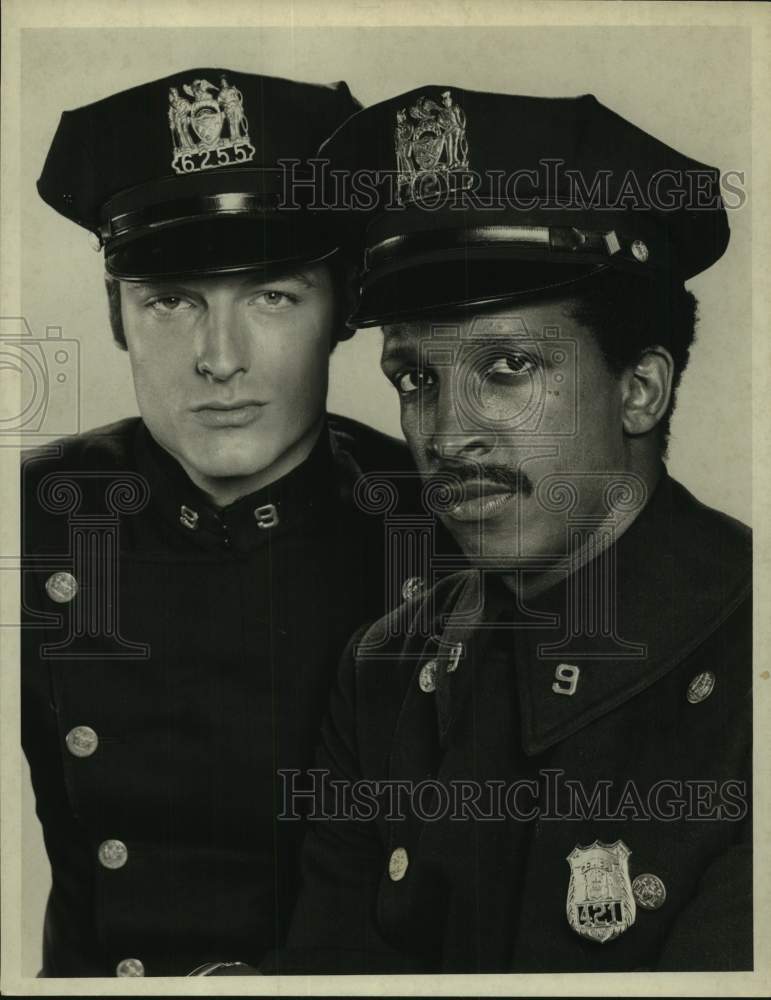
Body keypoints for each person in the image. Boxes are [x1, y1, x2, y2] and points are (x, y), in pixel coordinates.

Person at [272, 86, 752, 973]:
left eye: (506, 367)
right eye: (415, 379)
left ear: (639, 389)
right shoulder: (383, 668)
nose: (446, 434)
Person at [20, 68, 424, 978]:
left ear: (344, 309)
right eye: (171, 300)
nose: (218, 359)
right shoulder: (34, 520)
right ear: (116, 318)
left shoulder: (443, 524)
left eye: (272, 296)